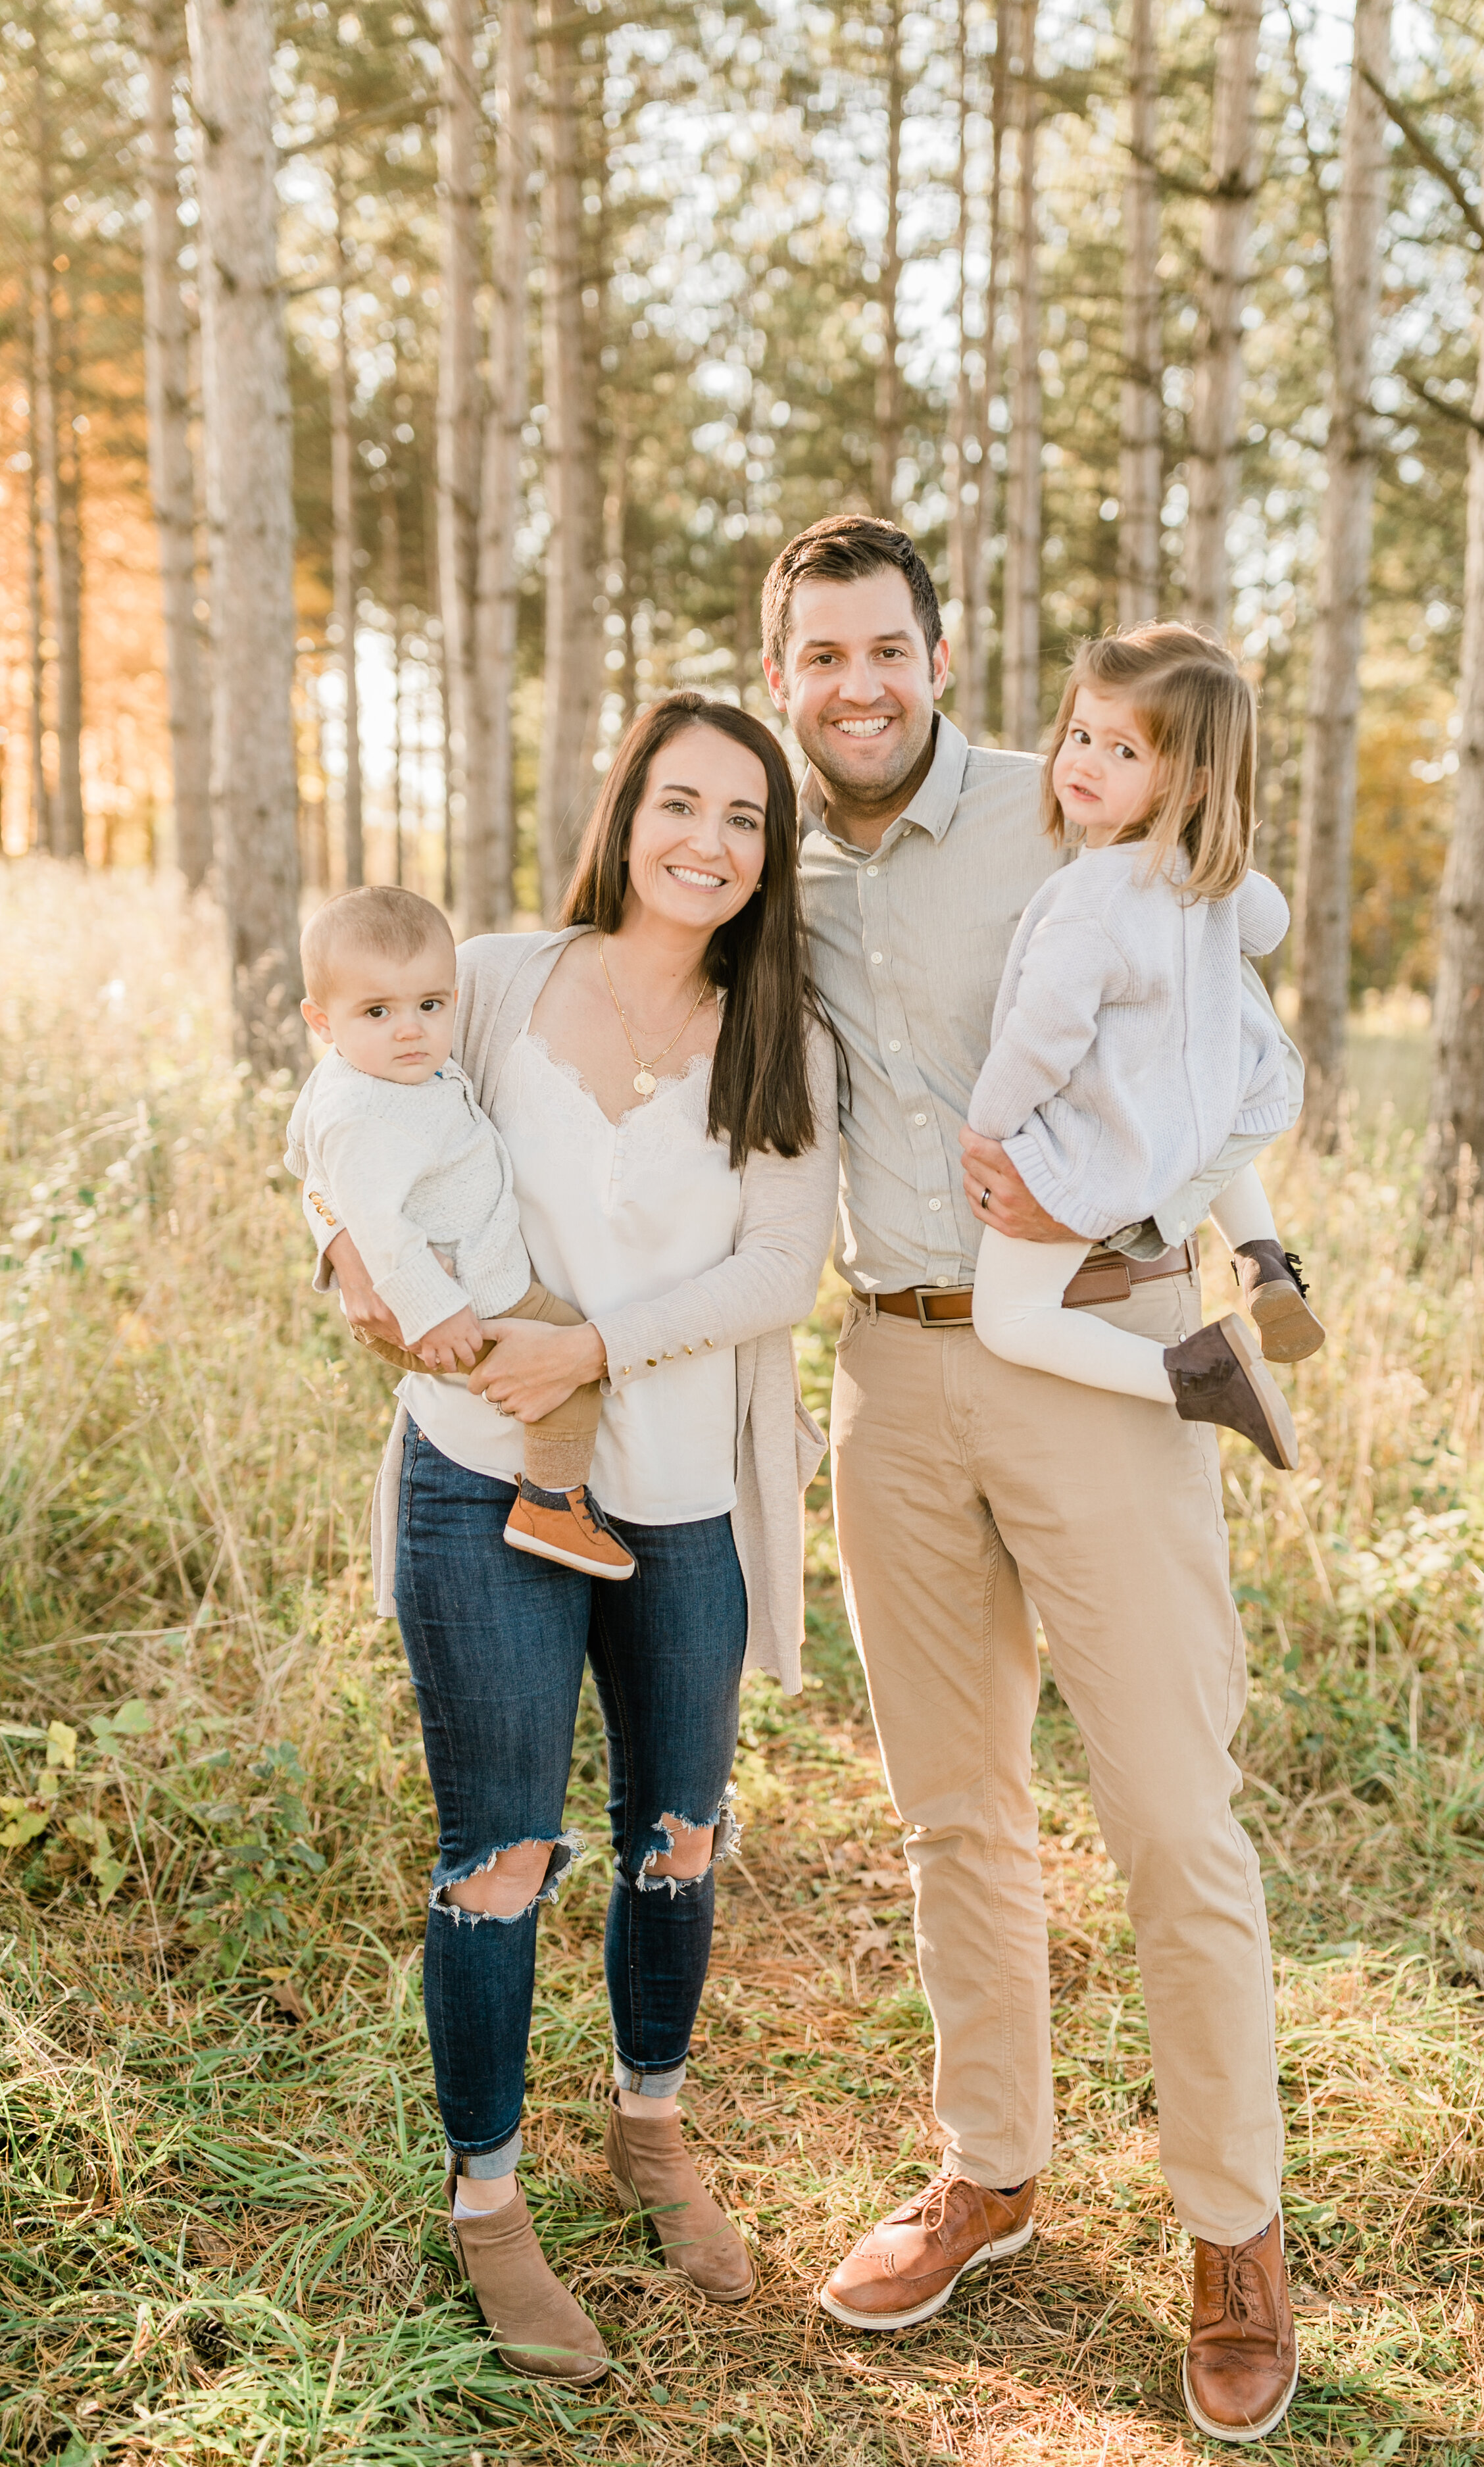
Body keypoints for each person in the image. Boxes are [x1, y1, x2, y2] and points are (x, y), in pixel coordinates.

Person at [764, 516, 1304, 2443]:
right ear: (781, 672)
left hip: (1103, 1334)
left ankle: (1230, 2229)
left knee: (1171, 1807)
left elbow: (1237, 1005)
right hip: (893, 1366)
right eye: (818, 656)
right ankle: (987, 2165)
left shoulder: (1074, 803)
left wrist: (1200, 1220)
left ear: (935, 650)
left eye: (882, 649)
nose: (854, 686)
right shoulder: (770, 853)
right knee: (952, 1808)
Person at [299, 695, 837, 2383]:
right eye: (679, 801)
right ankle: (491, 2199)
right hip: (479, 1474)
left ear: (770, 853)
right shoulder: (508, 976)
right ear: (627, 811)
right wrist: (348, 1269)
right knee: (502, 1850)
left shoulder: (782, 1032)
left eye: (743, 817)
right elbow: (353, 1126)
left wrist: (594, 1348)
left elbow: (778, 1274)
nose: (706, 840)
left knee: (677, 1831)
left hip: (682, 1492)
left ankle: (653, 2126)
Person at [967, 626, 1327, 1470]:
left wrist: (988, 1128)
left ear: (1190, 781)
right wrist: (1213, 848)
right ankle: (1264, 1260)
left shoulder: (1091, 899)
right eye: (1080, 737)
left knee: (1009, 1318)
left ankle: (1194, 1370)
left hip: (1098, 1151)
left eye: (1123, 750)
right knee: (1205, 1128)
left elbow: (1041, 1036)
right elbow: (1267, 925)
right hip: (1203, 1109)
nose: (1083, 762)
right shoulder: (1196, 876)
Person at [286, 885, 635, 1578]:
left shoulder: (381, 1073)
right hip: (465, 1299)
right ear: (321, 1021)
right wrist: (433, 1309)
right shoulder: (363, 1111)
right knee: (570, 1365)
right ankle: (552, 1503)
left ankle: (548, 1494)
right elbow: (377, 1227)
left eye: (430, 1005)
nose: (409, 1029)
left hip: (472, 1283)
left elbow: (307, 1156)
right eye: (377, 1011)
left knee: (562, 1356)